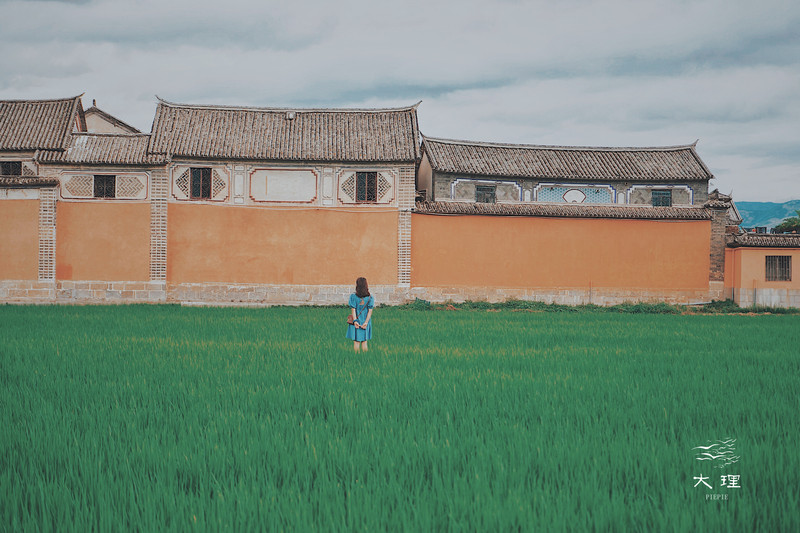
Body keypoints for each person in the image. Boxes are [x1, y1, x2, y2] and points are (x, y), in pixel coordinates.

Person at [347, 277, 374, 352]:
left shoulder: (353, 296)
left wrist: (355, 321)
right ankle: (365, 358)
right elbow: (370, 311)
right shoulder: (370, 298)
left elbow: (353, 309)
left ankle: (356, 357)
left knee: (356, 342)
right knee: (364, 342)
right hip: (365, 320)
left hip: (357, 320)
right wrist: (366, 322)